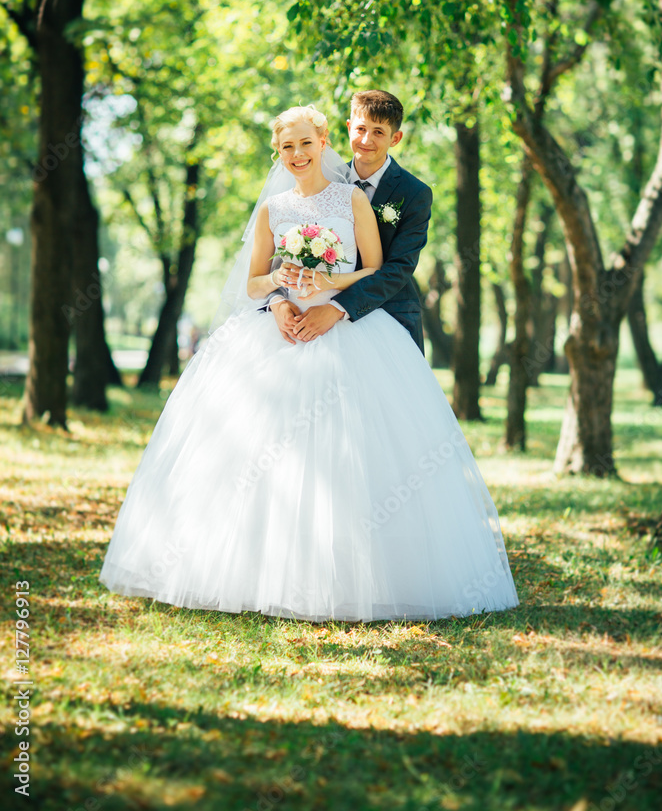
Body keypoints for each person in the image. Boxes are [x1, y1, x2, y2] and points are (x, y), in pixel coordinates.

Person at [99, 103, 518, 622]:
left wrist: (330, 298)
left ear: (327, 142)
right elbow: (257, 278)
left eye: (377, 132)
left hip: (360, 326)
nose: (298, 153)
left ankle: (361, 572)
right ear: (342, 133)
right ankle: (253, 566)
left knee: (363, 448)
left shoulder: (383, 197)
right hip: (280, 328)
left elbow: (383, 270)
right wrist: (278, 296)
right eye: (287, 147)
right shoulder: (275, 208)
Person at [267, 90, 432, 352]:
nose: (367, 139)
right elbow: (280, 256)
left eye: (379, 132)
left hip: (386, 315)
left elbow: (397, 269)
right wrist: (277, 301)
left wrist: (336, 308)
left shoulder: (414, 194)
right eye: (361, 128)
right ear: (348, 127)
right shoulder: (323, 179)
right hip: (307, 315)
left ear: (396, 138)